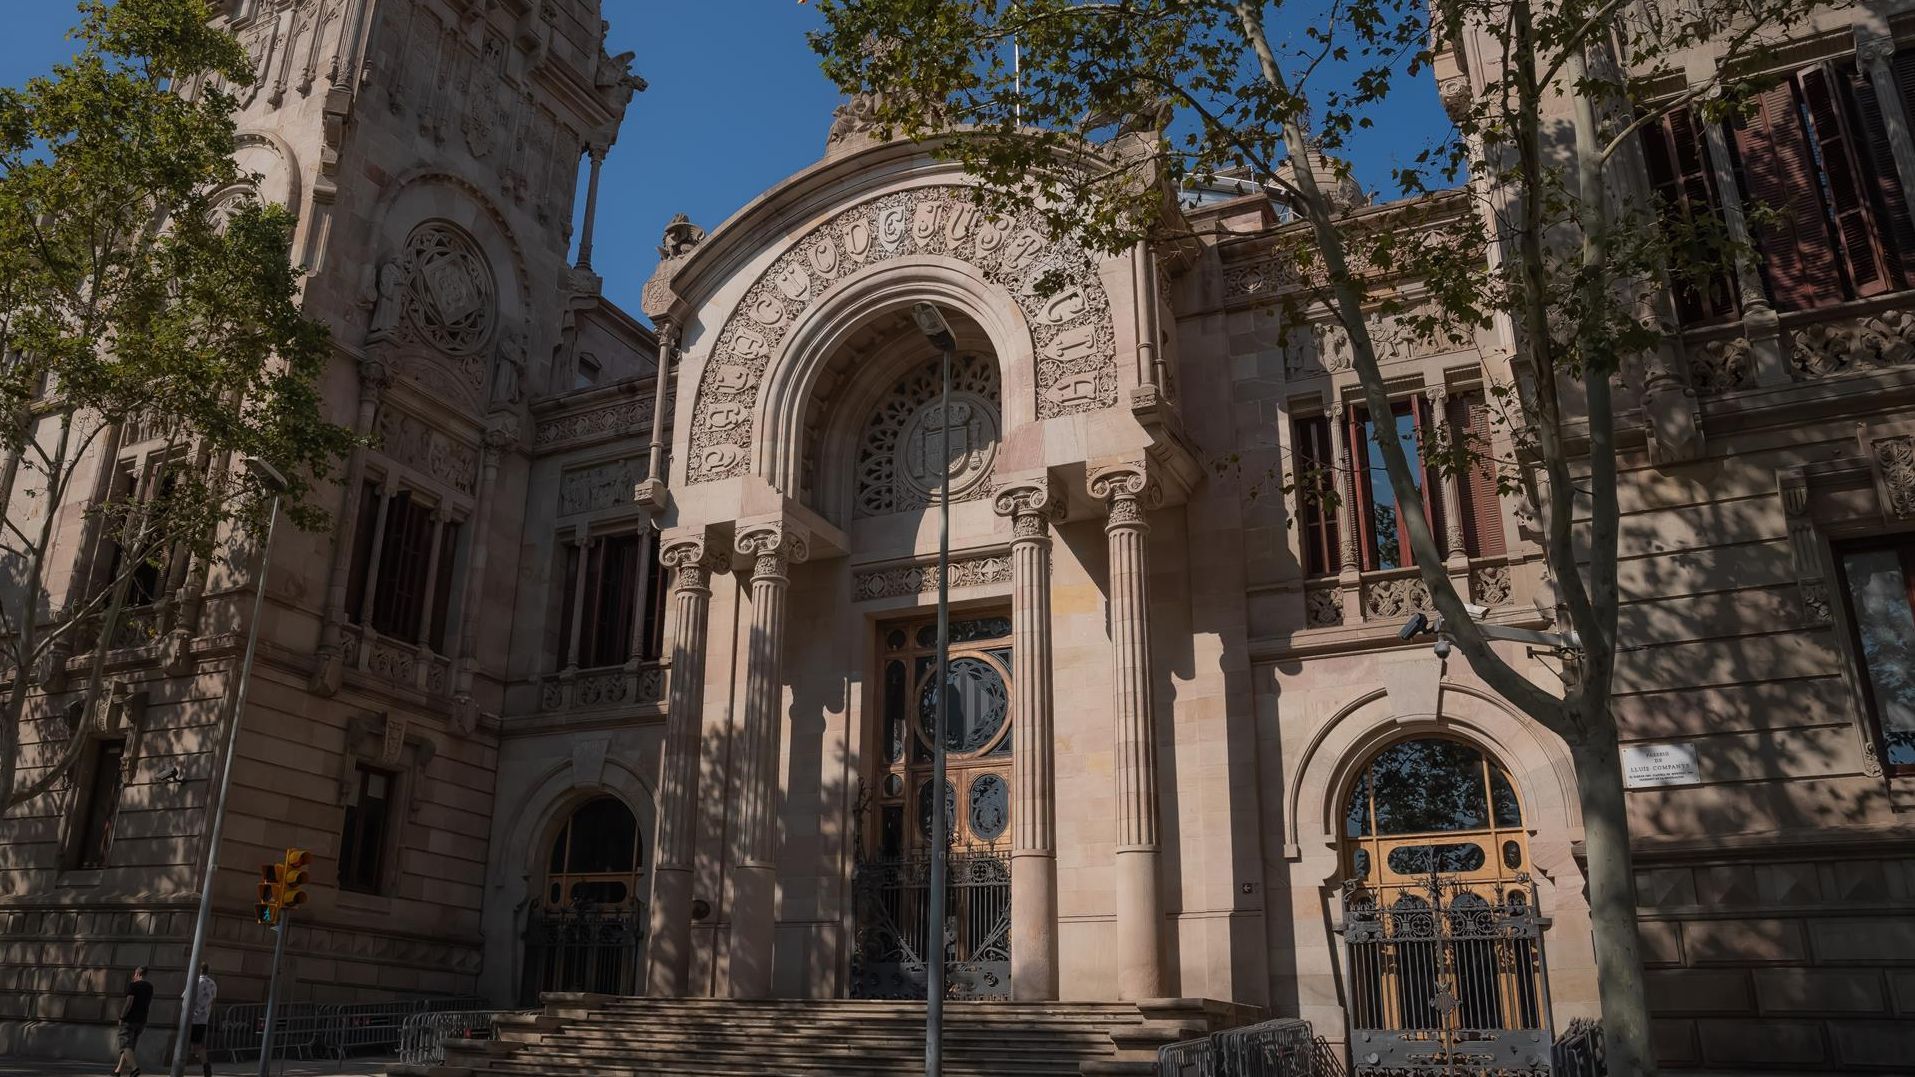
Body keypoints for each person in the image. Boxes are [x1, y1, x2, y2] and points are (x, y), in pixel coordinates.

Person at [112, 965, 153, 1076]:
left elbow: (129, 1002)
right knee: (129, 1047)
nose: (133, 976)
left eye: (134, 974)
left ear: (138, 974)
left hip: (130, 1020)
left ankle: (135, 1069)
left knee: (125, 1046)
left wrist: (122, 1016)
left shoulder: (133, 986)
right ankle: (118, 1071)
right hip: (141, 1020)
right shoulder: (150, 987)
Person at [187, 963, 217, 1077]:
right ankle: (206, 1065)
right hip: (203, 1018)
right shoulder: (213, 984)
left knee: (185, 1041)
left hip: (192, 1017)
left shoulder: (195, 982)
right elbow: (214, 1001)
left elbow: (186, 998)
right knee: (197, 1044)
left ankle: (181, 1061)